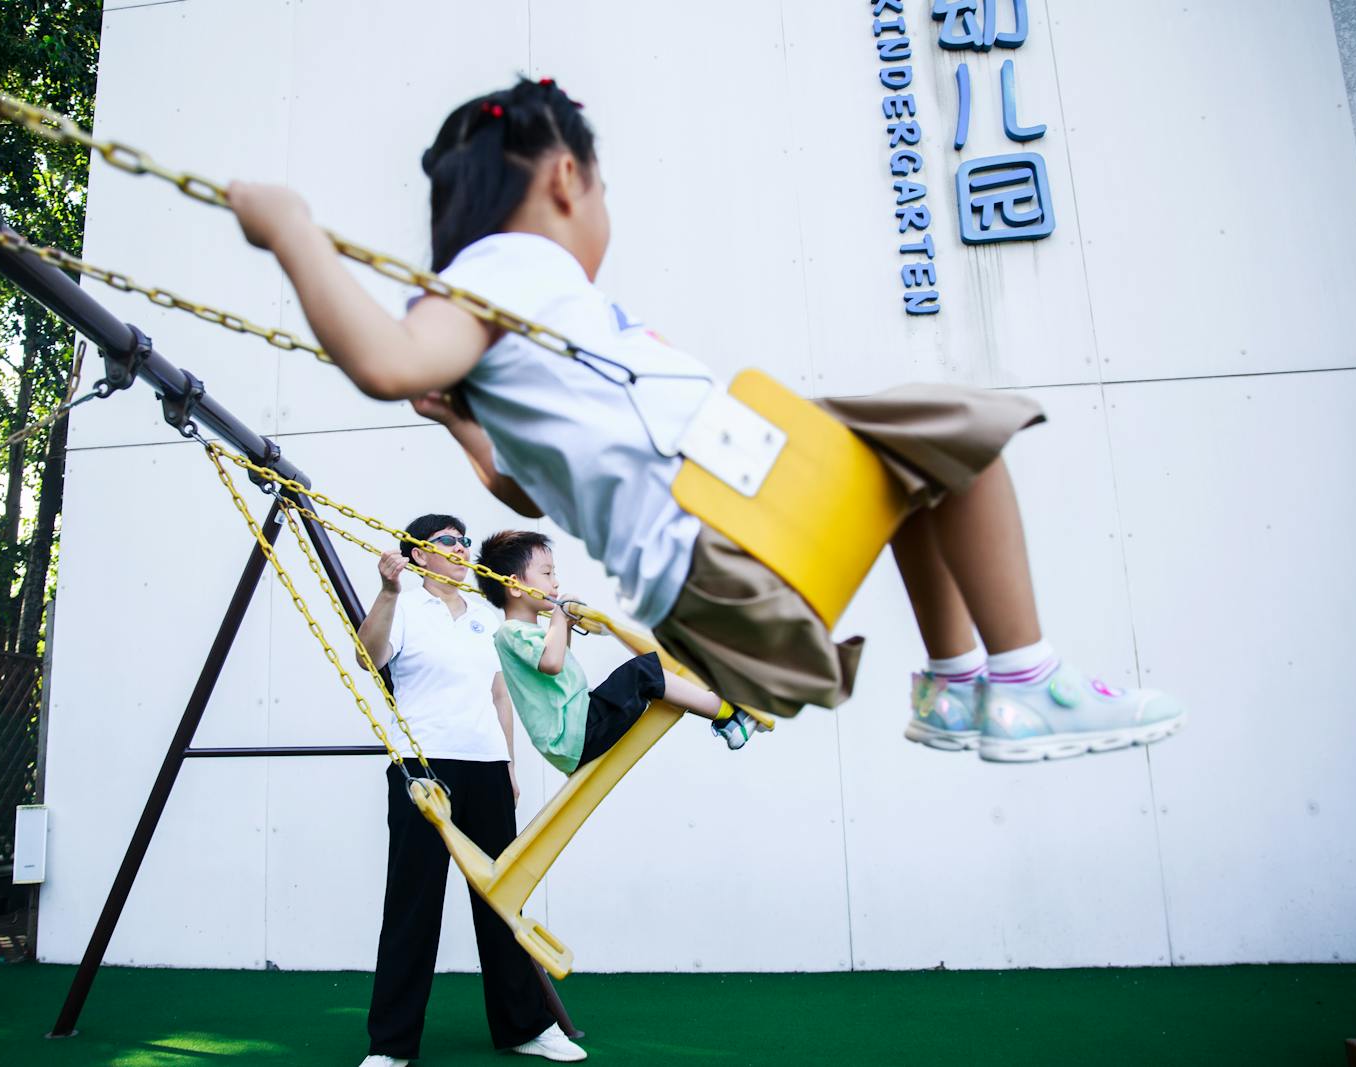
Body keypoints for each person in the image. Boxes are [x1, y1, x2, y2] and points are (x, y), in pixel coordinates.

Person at [227, 77, 1186, 764]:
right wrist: (291, 230)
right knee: (962, 426)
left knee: (917, 466)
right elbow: (384, 362)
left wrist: (462, 429)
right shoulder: (510, 271)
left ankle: (955, 684)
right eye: (599, 191)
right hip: (728, 547)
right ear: (566, 178)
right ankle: (1022, 679)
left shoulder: (519, 338)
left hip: (720, 586)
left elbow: (526, 487)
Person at [354, 513, 585, 1066]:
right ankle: (390, 1045)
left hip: (485, 767)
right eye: (445, 541)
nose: (460, 546)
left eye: (463, 539)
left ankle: (525, 1026)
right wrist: (387, 592)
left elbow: (500, 696)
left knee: (502, 901)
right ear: (418, 556)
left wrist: (508, 765)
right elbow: (369, 656)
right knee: (414, 904)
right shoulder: (404, 607)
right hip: (421, 768)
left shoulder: (489, 618)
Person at [476, 529, 759, 772]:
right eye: (547, 573)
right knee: (643, 671)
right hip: (573, 735)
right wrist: (561, 618)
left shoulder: (535, 631)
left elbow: (556, 666)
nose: (556, 582)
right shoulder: (510, 632)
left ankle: (721, 713)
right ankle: (726, 714)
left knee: (648, 673)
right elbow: (552, 664)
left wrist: (566, 625)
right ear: (514, 586)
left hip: (576, 728)